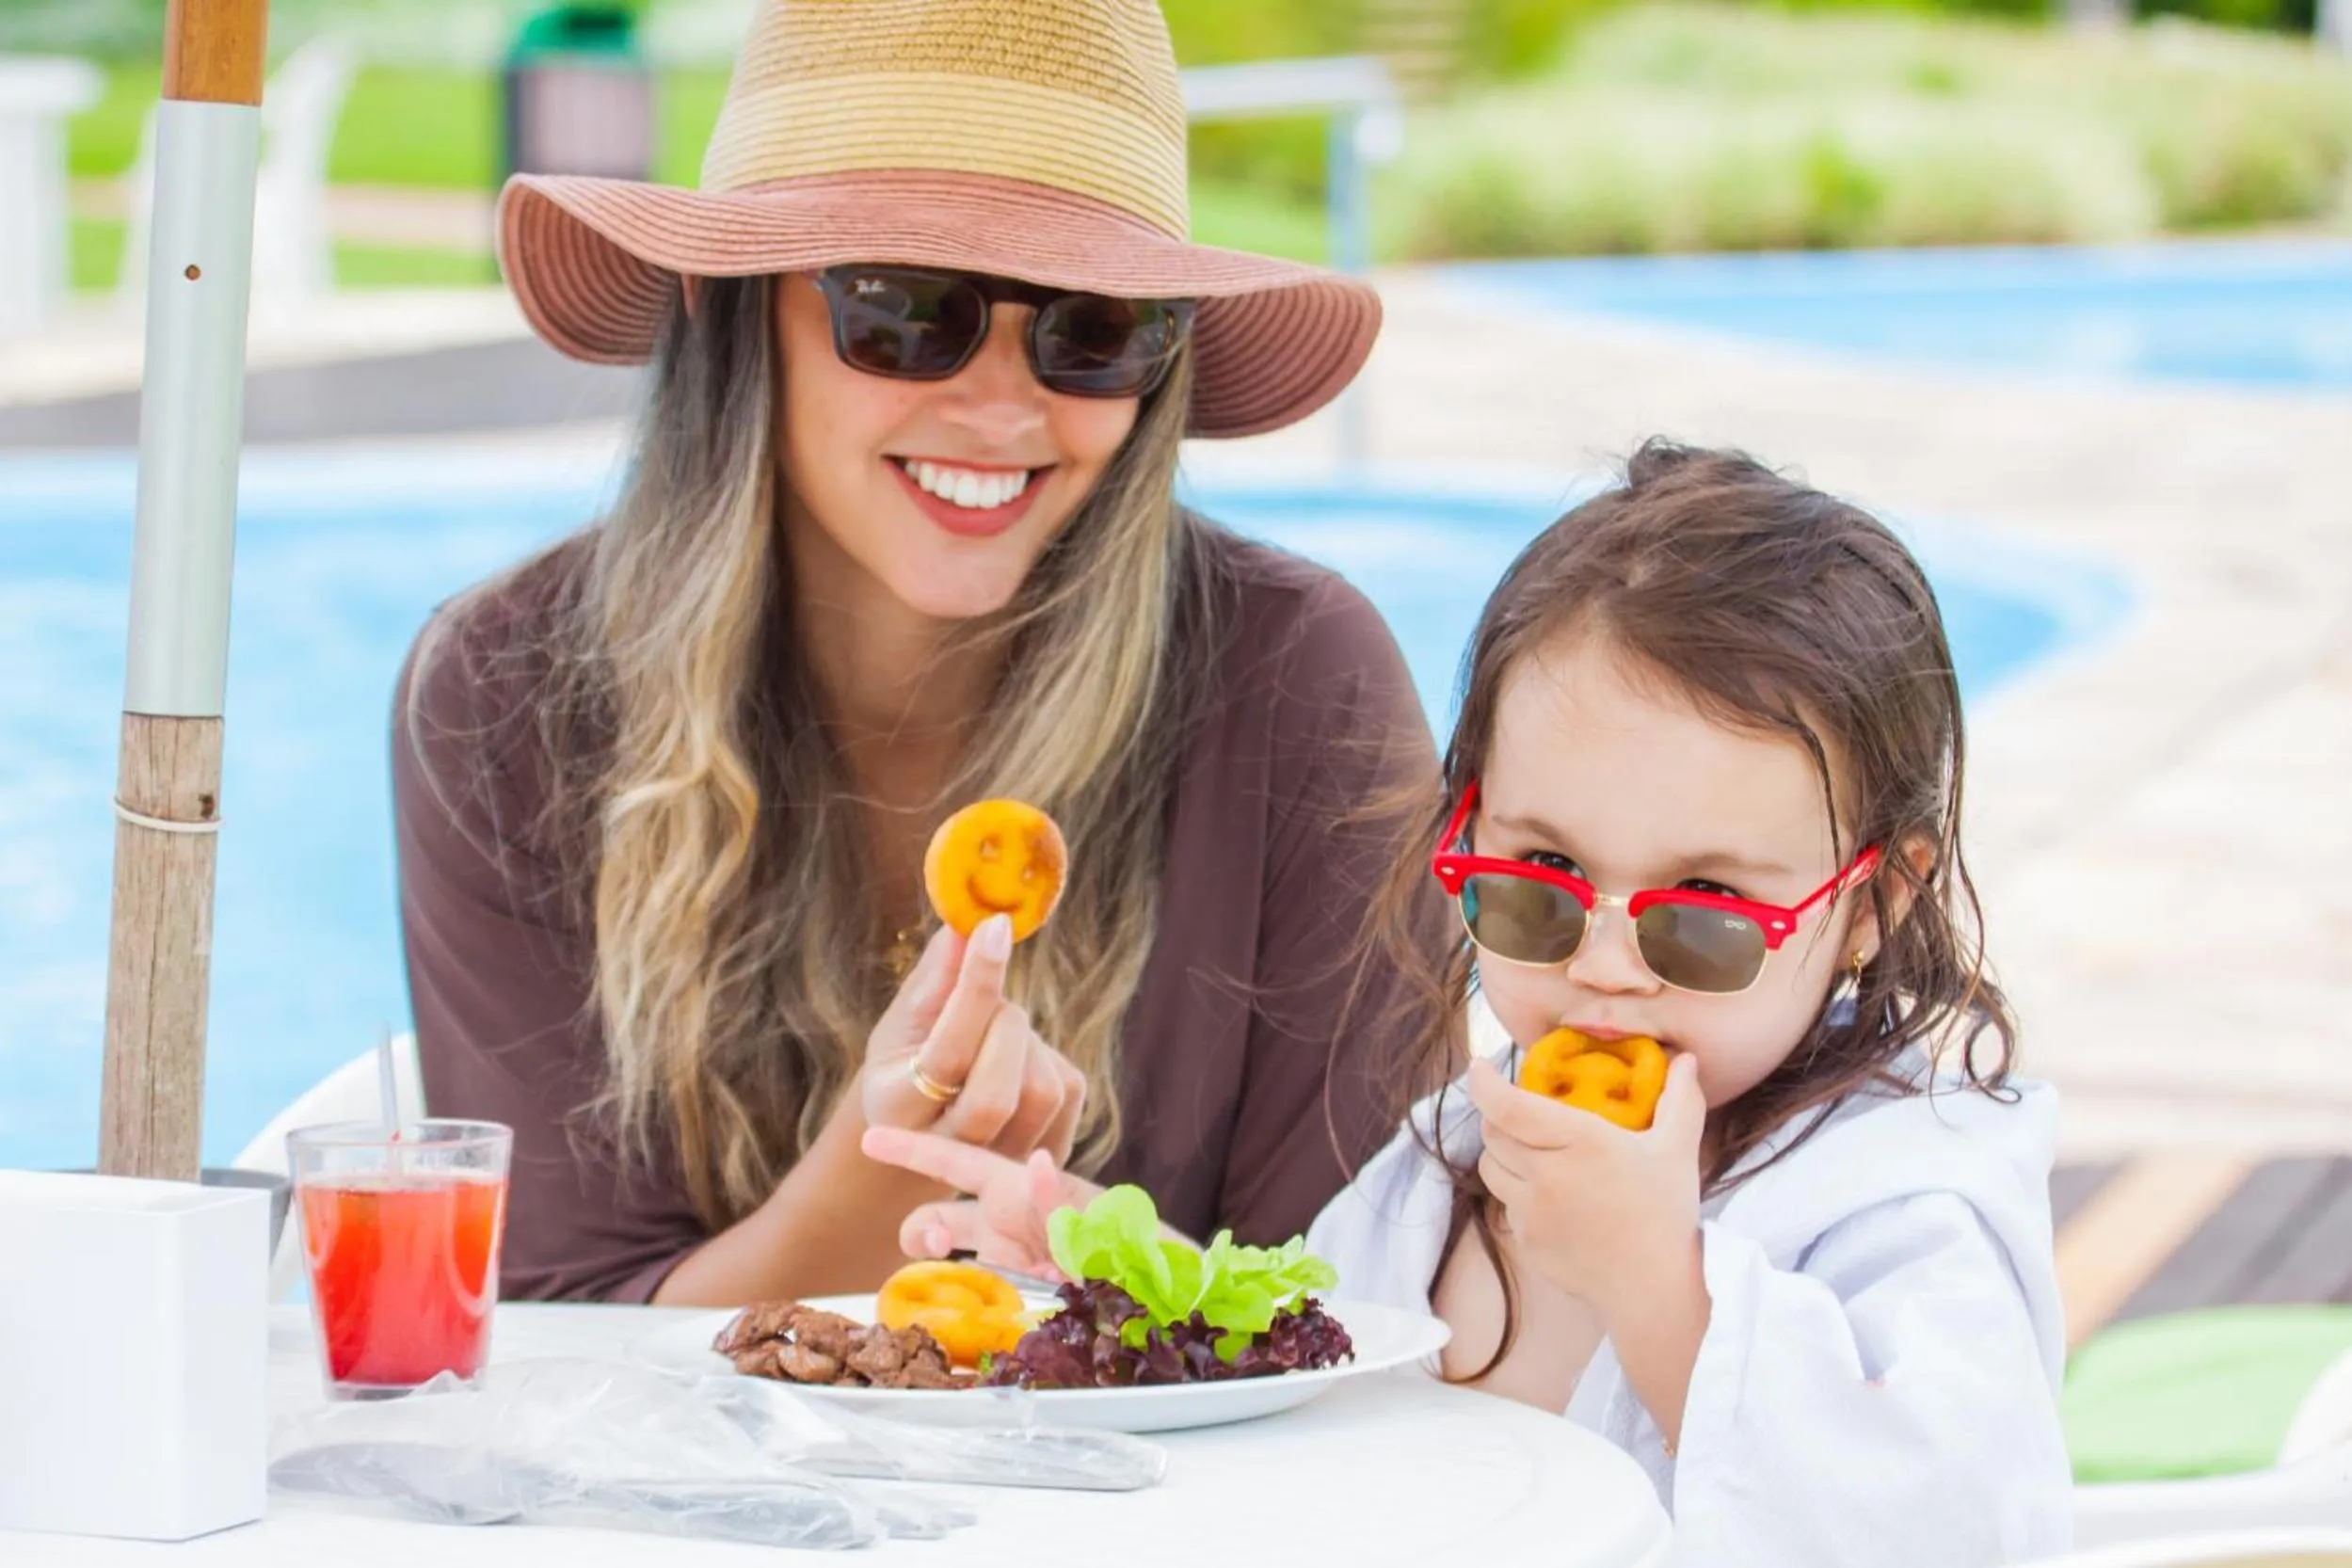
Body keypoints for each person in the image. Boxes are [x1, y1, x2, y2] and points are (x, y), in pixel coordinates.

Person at [390, 0, 1442, 1308]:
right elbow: (559, 1333)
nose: (1002, 407)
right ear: (739, 318)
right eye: (903, 311)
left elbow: (1351, 1304)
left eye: (1093, 330)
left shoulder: (1300, 681)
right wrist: (889, 1170)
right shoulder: (505, 690)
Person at [866, 440, 2072, 1565]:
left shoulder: (1897, 1210)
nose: (1604, 964)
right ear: (1467, 833)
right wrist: (1143, 1279)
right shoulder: (1442, 1162)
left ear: (1875, 905)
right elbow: (1332, 1391)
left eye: (1702, 914)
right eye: (1539, 886)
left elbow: (1941, 1530)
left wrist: (1661, 1291)